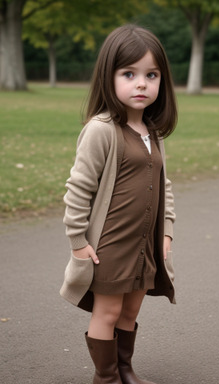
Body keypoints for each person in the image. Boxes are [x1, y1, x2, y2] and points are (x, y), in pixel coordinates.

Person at [60, 24, 177, 384]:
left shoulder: (151, 133)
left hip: (145, 245)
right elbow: (78, 189)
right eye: (129, 73)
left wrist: (167, 232)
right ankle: (106, 377)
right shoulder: (101, 130)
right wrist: (78, 243)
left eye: (151, 75)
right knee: (108, 311)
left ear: (162, 82)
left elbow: (164, 185)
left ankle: (125, 370)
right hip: (110, 245)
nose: (141, 83)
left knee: (130, 310)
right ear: (108, 77)